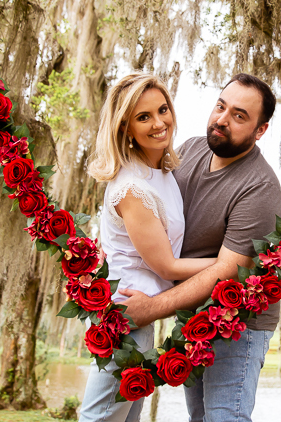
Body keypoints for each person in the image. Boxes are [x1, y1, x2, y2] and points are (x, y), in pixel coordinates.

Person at [120, 73, 281, 422]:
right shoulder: (191, 150)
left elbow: (228, 270)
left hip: (239, 319)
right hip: (193, 314)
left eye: (239, 116)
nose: (222, 120)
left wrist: (153, 308)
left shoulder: (260, 188)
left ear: (260, 131)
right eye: (221, 106)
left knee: (225, 417)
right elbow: (142, 210)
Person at [79, 73, 216, 422]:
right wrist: (229, 262)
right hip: (125, 317)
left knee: (126, 418)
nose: (159, 123)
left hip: (143, 313)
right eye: (144, 117)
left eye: (163, 109)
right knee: (102, 417)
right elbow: (166, 267)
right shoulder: (132, 187)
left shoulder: (162, 172)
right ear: (126, 127)